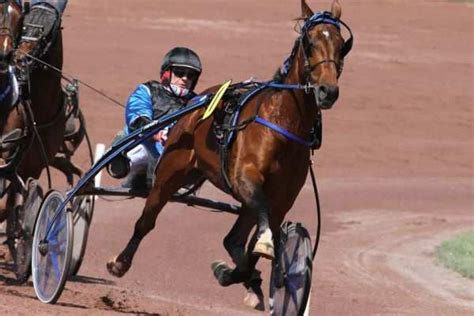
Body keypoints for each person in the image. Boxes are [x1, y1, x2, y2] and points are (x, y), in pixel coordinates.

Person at [120, 47, 202, 189]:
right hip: (142, 145)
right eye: (180, 73)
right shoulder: (148, 90)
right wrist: (156, 134)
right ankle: (139, 174)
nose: (185, 78)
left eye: (191, 75)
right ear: (166, 73)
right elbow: (137, 113)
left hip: (175, 154)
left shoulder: (197, 102)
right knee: (131, 146)